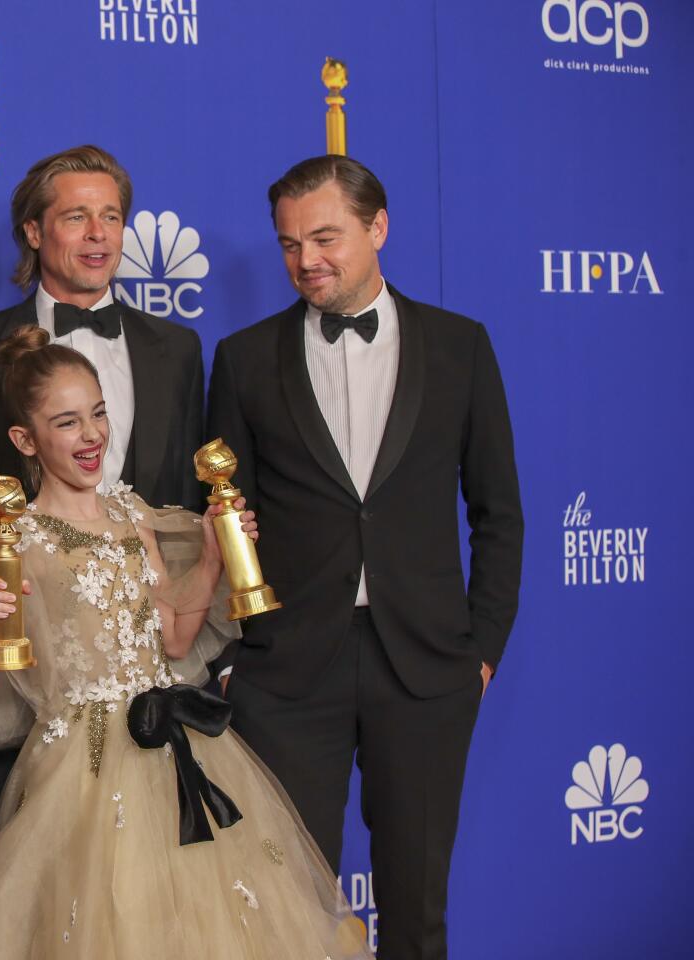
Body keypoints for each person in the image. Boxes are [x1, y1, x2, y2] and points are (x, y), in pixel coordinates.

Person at [0, 326, 372, 959]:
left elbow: (177, 635)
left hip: (178, 747)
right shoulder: (20, 539)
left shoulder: (132, 513)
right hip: (83, 767)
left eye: (98, 413)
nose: (92, 435)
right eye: (68, 422)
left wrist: (212, 558)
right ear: (26, 440)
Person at [206, 155, 522, 960]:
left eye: (325, 237)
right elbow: (218, 518)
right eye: (288, 244)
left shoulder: (461, 348)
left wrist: (479, 652)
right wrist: (239, 655)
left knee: (415, 909)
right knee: (284, 911)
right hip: (286, 671)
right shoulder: (241, 359)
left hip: (425, 666)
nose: (306, 260)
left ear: (378, 228)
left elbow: (499, 513)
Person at [0, 144, 206, 855]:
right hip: (28, 698)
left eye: (111, 217)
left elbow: (183, 511)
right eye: (75, 217)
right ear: (34, 232)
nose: (99, 235)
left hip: (152, 696)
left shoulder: (179, 350)